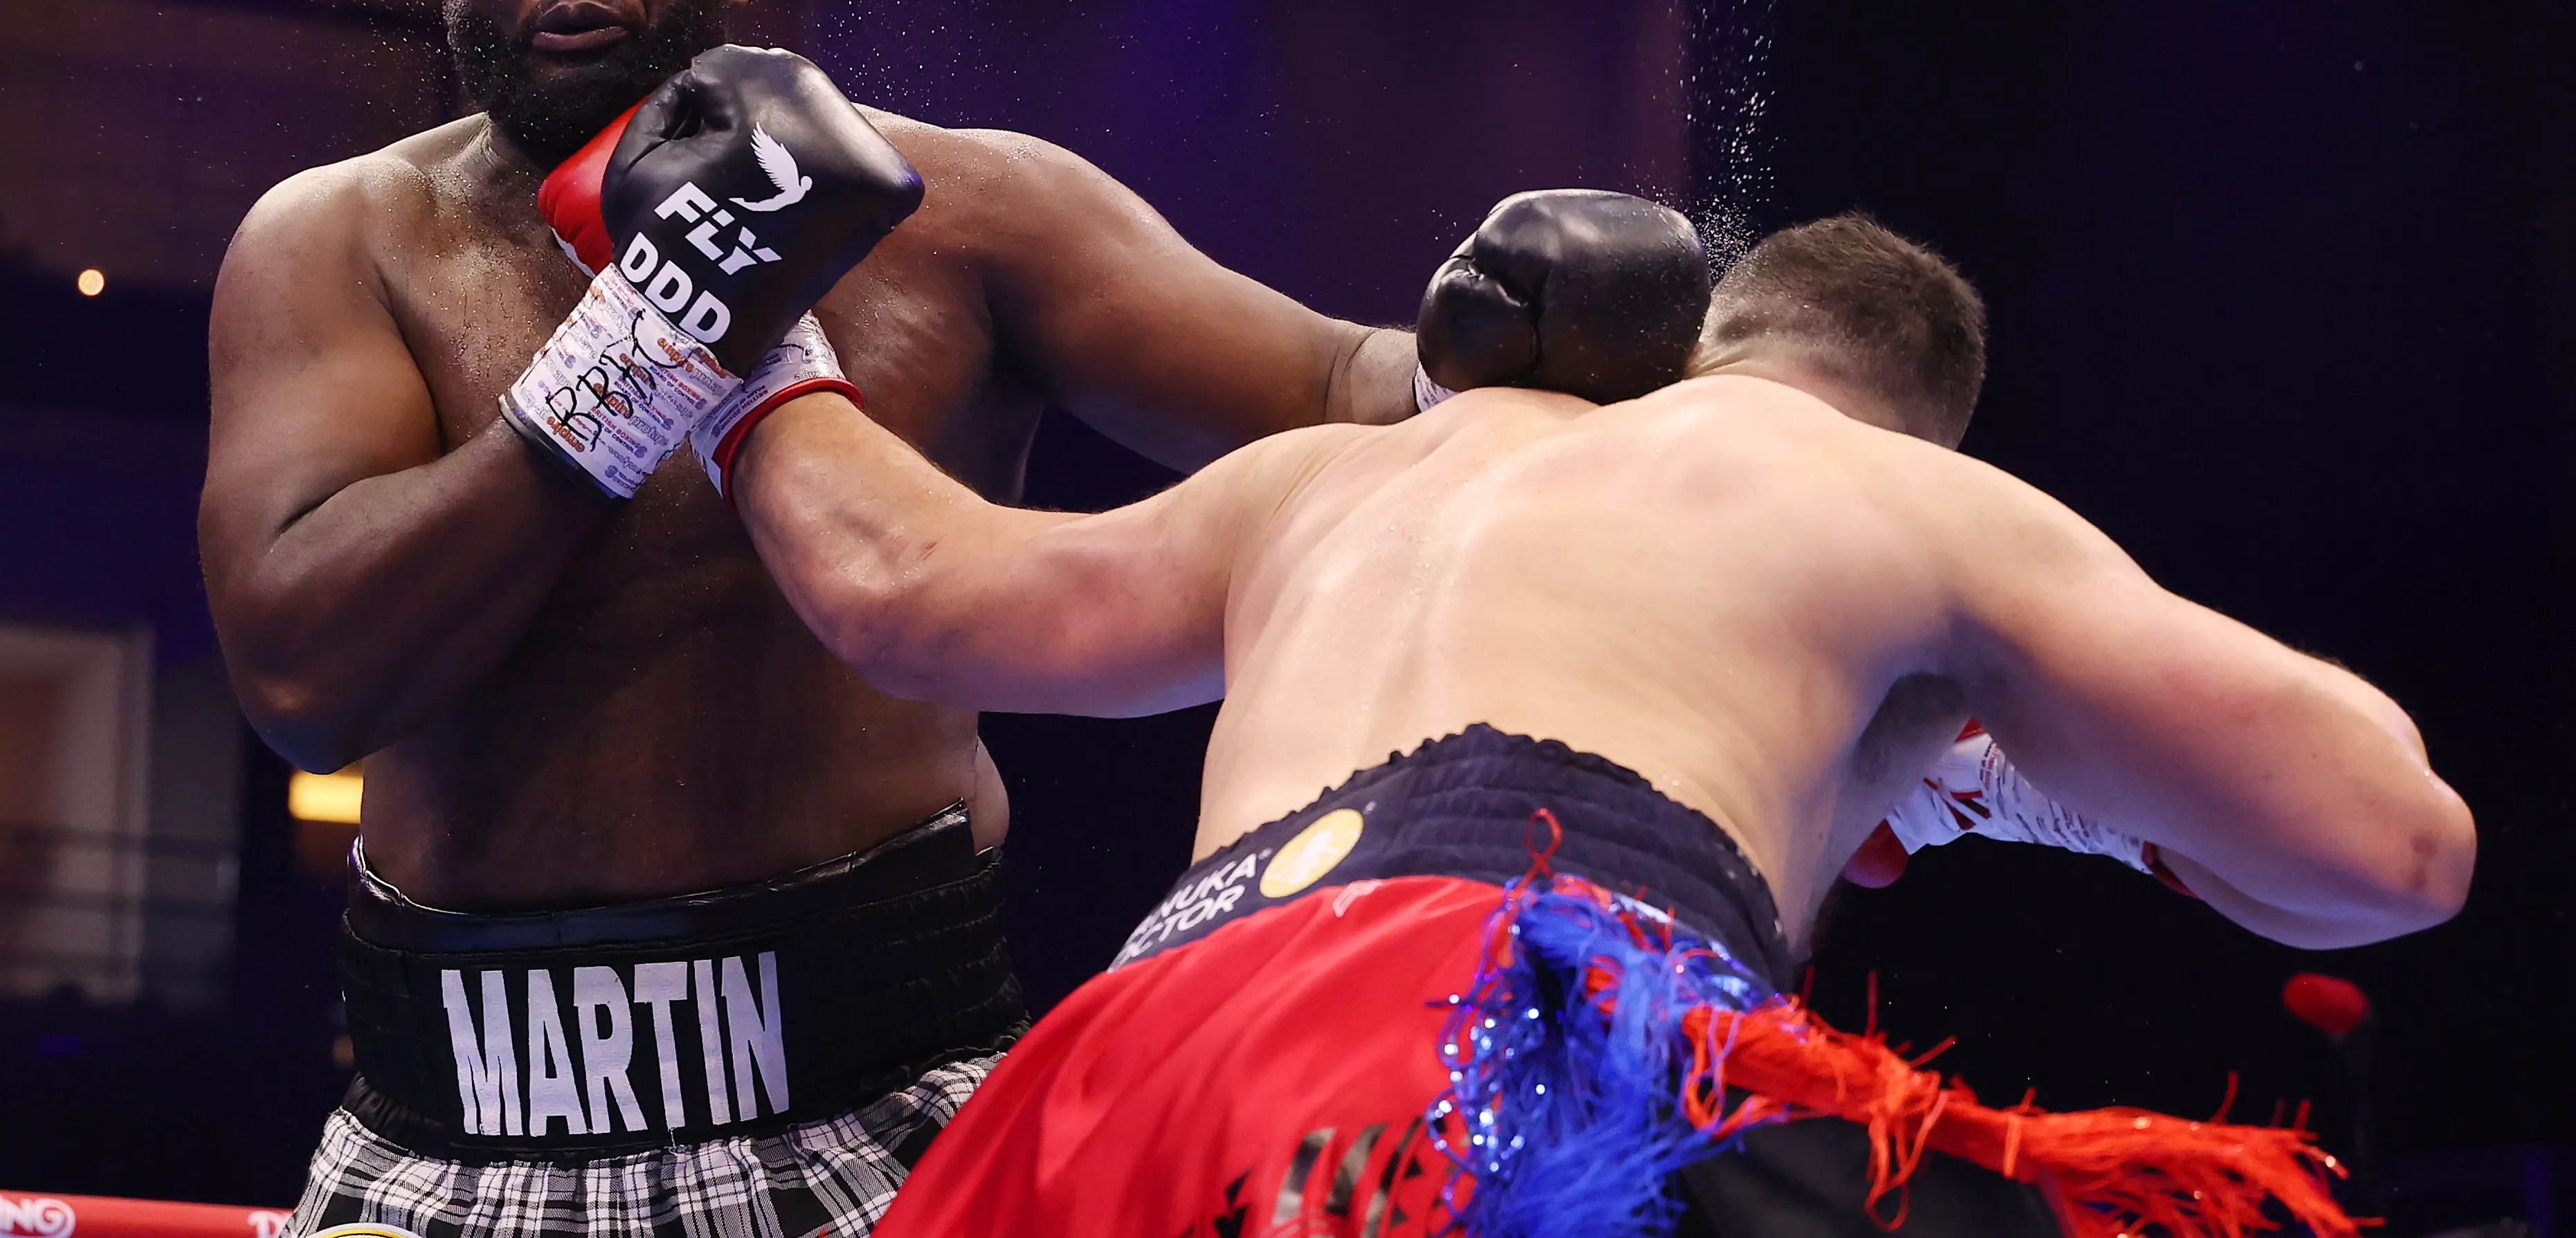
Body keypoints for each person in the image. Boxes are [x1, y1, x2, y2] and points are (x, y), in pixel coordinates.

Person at [196, 0, 1702, 1235]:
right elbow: (304, 674)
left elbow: (1329, 387)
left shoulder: (966, 215)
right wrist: (640, 354)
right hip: (452, 1127)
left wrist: (1512, 338)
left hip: (883, 1109)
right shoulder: (345, 244)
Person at [718, 214, 2476, 1238]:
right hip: (1508, 1025)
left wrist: (718, 313)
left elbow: (898, 590)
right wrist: (2055, 792)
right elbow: (2392, 848)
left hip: (1121, 1068)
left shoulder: (1347, 473)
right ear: (1915, 421)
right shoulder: (1889, 494)